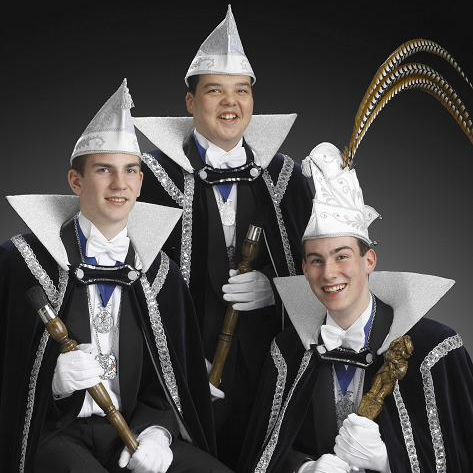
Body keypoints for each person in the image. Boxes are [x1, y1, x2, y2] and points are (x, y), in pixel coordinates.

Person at [0, 79, 232, 473]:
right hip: (54, 431)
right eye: (104, 170)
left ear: (140, 182)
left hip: (130, 430)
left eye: (130, 171)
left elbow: (167, 382)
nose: (119, 184)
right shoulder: (22, 260)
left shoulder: (159, 274)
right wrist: (50, 381)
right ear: (76, 181)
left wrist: (157, 433)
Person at [134, 6, 313, 468]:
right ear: (190, 102)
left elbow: (325, 274)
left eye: (242, 91)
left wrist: (276, 289)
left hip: (267, 376)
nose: (230, 103)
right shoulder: (148, 180)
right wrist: (175, 366)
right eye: (215, 90)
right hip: (181, 374)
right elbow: (129, 282)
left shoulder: (286, 177)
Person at [238, 142, 473, 472]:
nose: (329, 273)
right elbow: (263, 455)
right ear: (304, 269)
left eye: (342, 256)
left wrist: (389, 462)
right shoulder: (288, 354)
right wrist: (304, 468)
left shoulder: (435, 351)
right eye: (316, 260)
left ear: (369, 261)